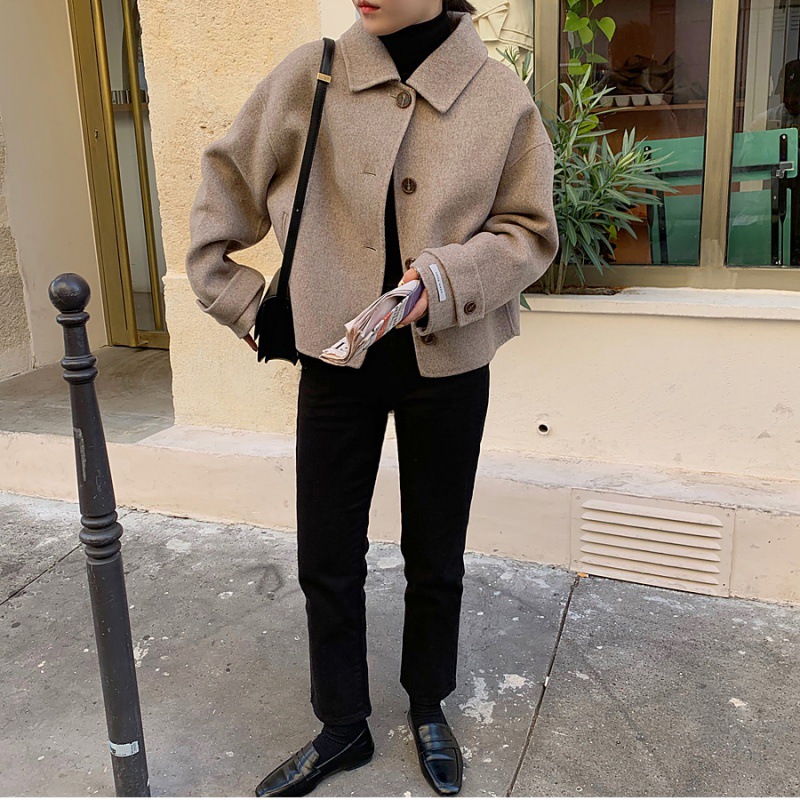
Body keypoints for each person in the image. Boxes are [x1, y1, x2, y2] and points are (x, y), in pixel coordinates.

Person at [185, 0, 558, 796]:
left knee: (436, 553)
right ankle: (343, 725)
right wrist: (241, 302)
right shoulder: (311, 74)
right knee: (326, 555)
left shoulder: (498, 96)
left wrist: (445, 281)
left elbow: (529, 230)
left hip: (449, 357)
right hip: (335, 357)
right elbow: (226, 181)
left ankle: (428, 704)